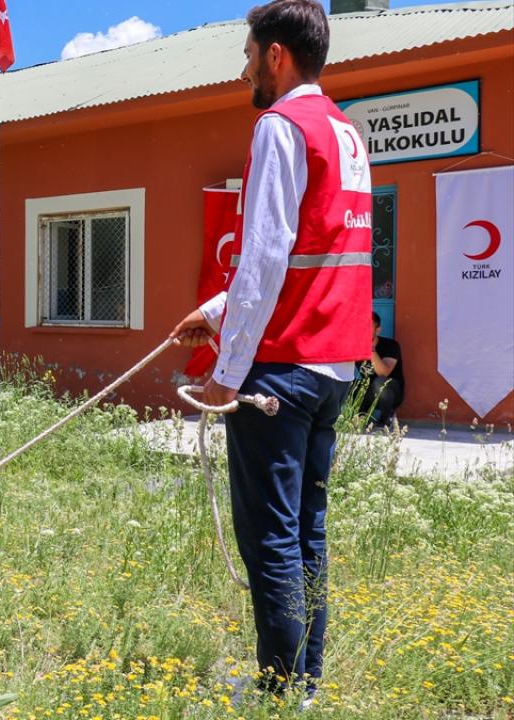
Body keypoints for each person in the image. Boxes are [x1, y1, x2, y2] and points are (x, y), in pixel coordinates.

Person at [169, 0, 372, 704]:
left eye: (249, 54)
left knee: (271, 536)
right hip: (334, 367)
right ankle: (306, 681)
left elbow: (263, 255)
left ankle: (279, 692)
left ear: (276, 55)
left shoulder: (280, 126)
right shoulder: (344, 134)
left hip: (281, 368)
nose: (245, 70)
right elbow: (305, 253)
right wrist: (214, 312)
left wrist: (226, 373)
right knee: (307, 530)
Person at [358, 312, 404, 428]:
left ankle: (386, 418)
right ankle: (360, 415)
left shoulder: (391, 345)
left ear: (378, 330)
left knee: (380, 382)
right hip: (368, 391)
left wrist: (370, 348)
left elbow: (383, 372)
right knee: (347, 383)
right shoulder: (356, 346)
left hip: (391, 392)